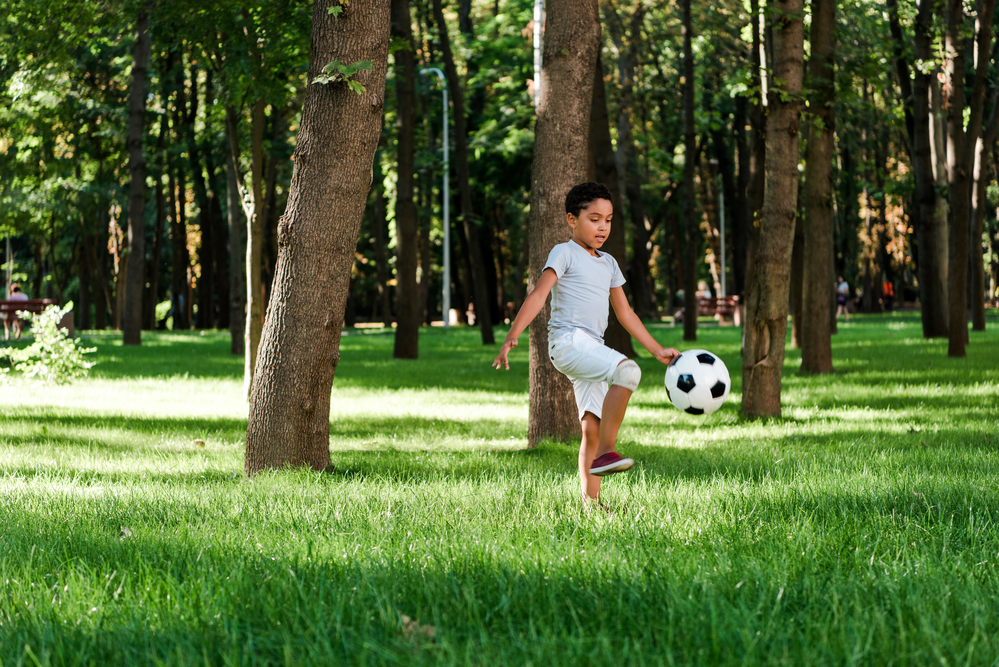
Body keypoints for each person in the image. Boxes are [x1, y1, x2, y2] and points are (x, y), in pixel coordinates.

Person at [492, 182, 679, 505]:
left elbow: (626, 313)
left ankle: (591, 504)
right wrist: (513, 334)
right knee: (627, 372)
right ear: (571, 219)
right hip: (568, 342)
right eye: (594, 219)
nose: (602, 226)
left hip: (590, 347)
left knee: (590, 428)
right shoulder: (564, 253)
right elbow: (539, 294)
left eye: (608, 219)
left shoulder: (608, 263)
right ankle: (609, 452)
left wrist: (657, 349)